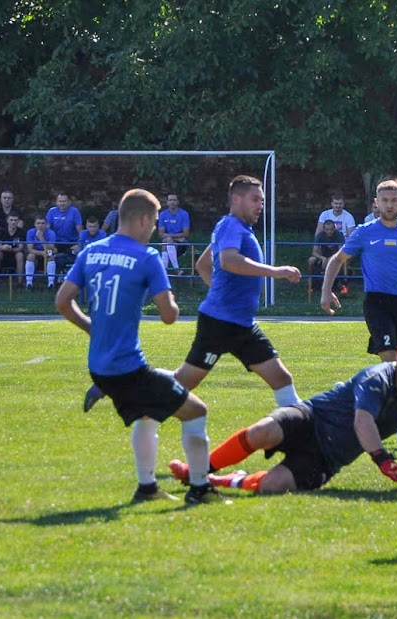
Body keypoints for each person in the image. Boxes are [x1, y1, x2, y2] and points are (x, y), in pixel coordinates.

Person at [55, 188, 222, 505]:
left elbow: (62, 301)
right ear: (144, 219)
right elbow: (169, 316)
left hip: (100, 366)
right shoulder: (147, 257)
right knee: (196, 412)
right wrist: (172, 303)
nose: (155, 229)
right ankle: (201, 490)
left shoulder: (91, 252)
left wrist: (95, 329)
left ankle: (147, 488)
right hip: (127, 368)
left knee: (148, 414)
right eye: (155, 221)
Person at [85, 175, 304, 414]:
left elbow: (202, 265)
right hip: (221, 324)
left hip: (239, 323)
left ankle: (299, 427)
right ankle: (118, 385)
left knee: (280, 378)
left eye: (261, 200)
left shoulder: (233, 229)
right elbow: (229, 260)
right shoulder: (230, 225)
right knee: (182, 383)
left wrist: (222, 293)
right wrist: (276, 271)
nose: (260, 205)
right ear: (236, 199)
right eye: (255, 199)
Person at [168, 332, 397, 495]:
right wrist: (382, 459)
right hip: (311, 418)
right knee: (263, 431)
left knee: (274, 487)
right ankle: (200, 472)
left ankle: (226, 481)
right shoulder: (377, 377)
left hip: (327, 457)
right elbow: (362, 420)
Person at [320, 179, 397, 444]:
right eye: (384, 200)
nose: (389, 204)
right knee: (390, 360)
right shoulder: (364, 232)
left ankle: (360, 395)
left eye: (394, 200)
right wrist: (325, 291)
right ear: (376, 203)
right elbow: (336, 260)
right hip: (375, 302)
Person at [45, 193, 83, 281]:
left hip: (71, 243)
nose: (62, 203)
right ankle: (51, 282)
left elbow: (80, 229)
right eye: (60, 201)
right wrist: (50, 244)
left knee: (74, 255)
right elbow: (47, 229)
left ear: (69, 202)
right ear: (56, 202)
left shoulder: (74, 211)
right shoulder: (51, 211)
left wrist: (79, 244)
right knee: (50, 254)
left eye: (64, 201)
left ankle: (71, 278)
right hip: (56, 243)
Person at [307, 220, 345, 294]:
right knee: (311, 260)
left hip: (336, 256)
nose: (329, 231)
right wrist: (322, 258)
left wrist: (332, 258)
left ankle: (344, 284)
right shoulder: (319, 235)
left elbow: (341, 250)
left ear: (334, 229)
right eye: (327, 229)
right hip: (322, 256)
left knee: (345, 260)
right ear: (324, 229)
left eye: (331, 229)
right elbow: (314, 252)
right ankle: (310, 284)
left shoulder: (339, 235)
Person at [158, 193, 191, 274]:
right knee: (167, 241)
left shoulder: (184, 214)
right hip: (170, 241)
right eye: (170, 200)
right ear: (167, 202)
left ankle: (163, 272)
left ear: (178, 202)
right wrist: (174, 237)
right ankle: (176, 270)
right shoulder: (162, 215)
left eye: (174, 200)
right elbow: (161, 234)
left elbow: (186, 234)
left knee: (166, 241)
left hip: (181, 243)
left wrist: (170, 236)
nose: (172, 202)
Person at [0, 212, 26, 289]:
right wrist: (3, 247)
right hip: (3, 254)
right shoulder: (1, 231)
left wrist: (12, 249)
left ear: (18, 221)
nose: (13, 222)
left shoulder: (21, 232)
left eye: (15, 220)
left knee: (20, 255)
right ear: (7, 220)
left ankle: (20, 283)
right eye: (11, 220)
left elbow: (21, 247)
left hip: (15, 254)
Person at [25, 216, 57, 290]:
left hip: (47, 252)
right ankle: (29, 284)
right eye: (38, 223)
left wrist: (41, 238)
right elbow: (30, 249)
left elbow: (51, 248)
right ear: (34, 224)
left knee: (51, 256)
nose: (40, 225)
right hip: (36, 252)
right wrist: (41, 253)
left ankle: (51, 284)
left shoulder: (51, 233)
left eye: (42, 223)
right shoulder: (30, 232)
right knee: (30, 256)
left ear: (46, 225)